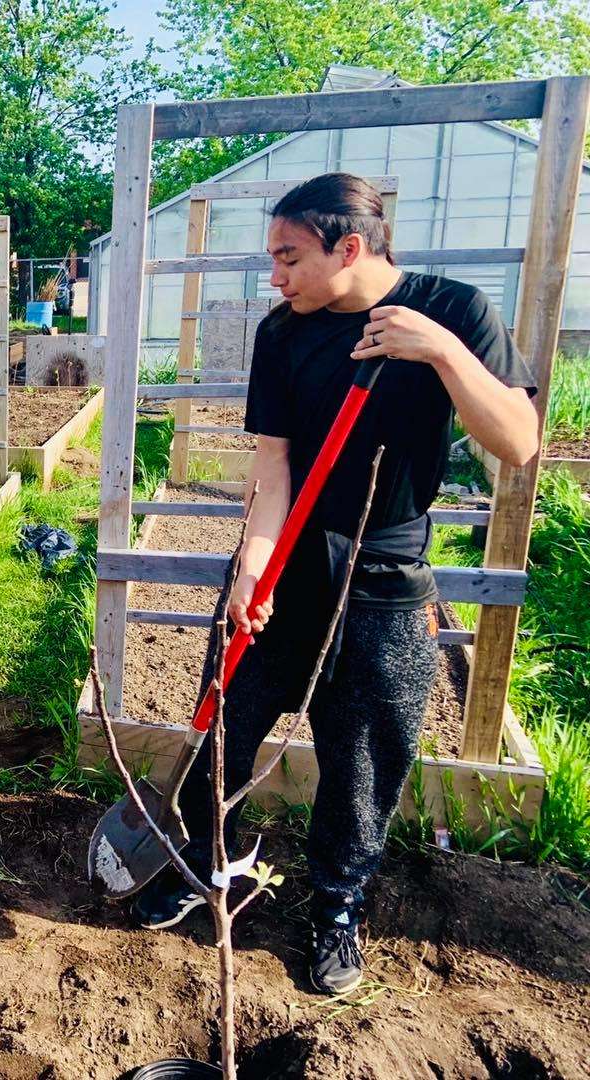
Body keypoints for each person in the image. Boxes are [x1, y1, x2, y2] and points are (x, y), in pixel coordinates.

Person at [130, 173, 540, 995]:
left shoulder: (454, 312)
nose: (273, 275)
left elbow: (519, 441)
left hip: (384, 568)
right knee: (231, 718)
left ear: (348, 248)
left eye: (288, 257)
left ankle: (337, 904)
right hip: (288, 558)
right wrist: (252, 566)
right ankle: (208, 863)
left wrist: (440, 352)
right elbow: (274, 460)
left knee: (363, 753)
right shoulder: (285, 333)